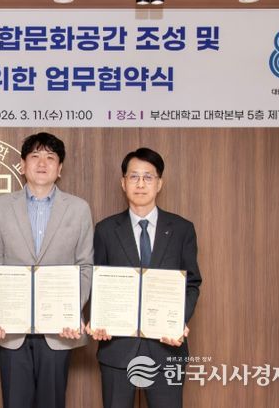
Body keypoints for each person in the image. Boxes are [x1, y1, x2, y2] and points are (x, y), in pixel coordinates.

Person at [0, 132, 94, 408]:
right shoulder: (0, 207)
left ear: (60, 168)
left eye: (50, 157)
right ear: (22, 165)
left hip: (59, 330)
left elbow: (85, 265)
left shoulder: (79, 209)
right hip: (12, 330)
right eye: (34, 156)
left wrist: (71, 311)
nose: (42, 163)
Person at [86, 147, 202, 408]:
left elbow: (192, 283)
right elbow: (98, 281)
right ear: (123, 182)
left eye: (148, 177)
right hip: (117, 349)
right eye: (134, 176)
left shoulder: (182, 229)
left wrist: (178, 321)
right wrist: (98, 319)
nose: (140, 184)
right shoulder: (105, 230)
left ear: (159, 183)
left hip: (166, 348)